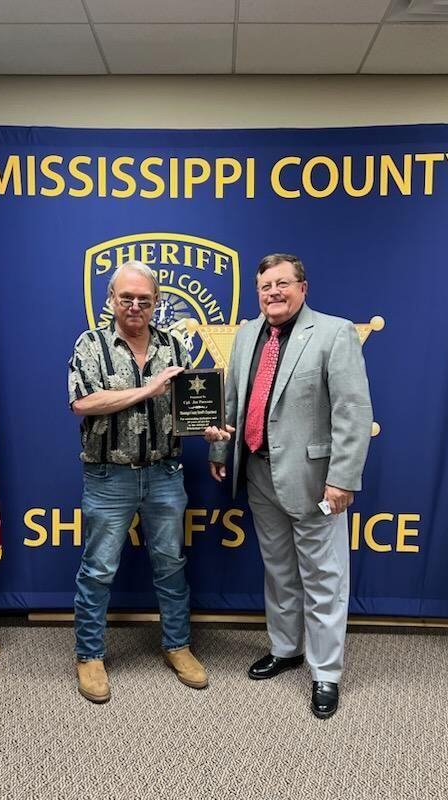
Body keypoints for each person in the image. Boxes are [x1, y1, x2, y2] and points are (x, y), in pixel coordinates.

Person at [206, 253, 372, 719]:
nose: (273, 293)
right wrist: (221, 452)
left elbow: (352, 414)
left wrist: (341, 479)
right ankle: (286, 649)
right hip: (258, 472)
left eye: (282, 284)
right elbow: (233, 400)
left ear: (303, 287)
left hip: (315, 480)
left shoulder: (335, 333)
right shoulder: (244, 335)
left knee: (323, 577)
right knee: (278, 570)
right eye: (265, 286)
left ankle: (325, 673)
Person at [68, 260, 208, 703]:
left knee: (171, 565)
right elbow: (84, 403)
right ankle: (89, 655)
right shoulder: (90, 344)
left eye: (143, 300)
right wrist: (149, 389)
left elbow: (187, 408)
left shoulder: (174, 346)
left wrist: (209, 428)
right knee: (98, 569)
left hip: (165, 472)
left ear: (156, 302)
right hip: (109, 475)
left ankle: (178, 645)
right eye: (125, 297)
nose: (134, 306)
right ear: (111, 300)